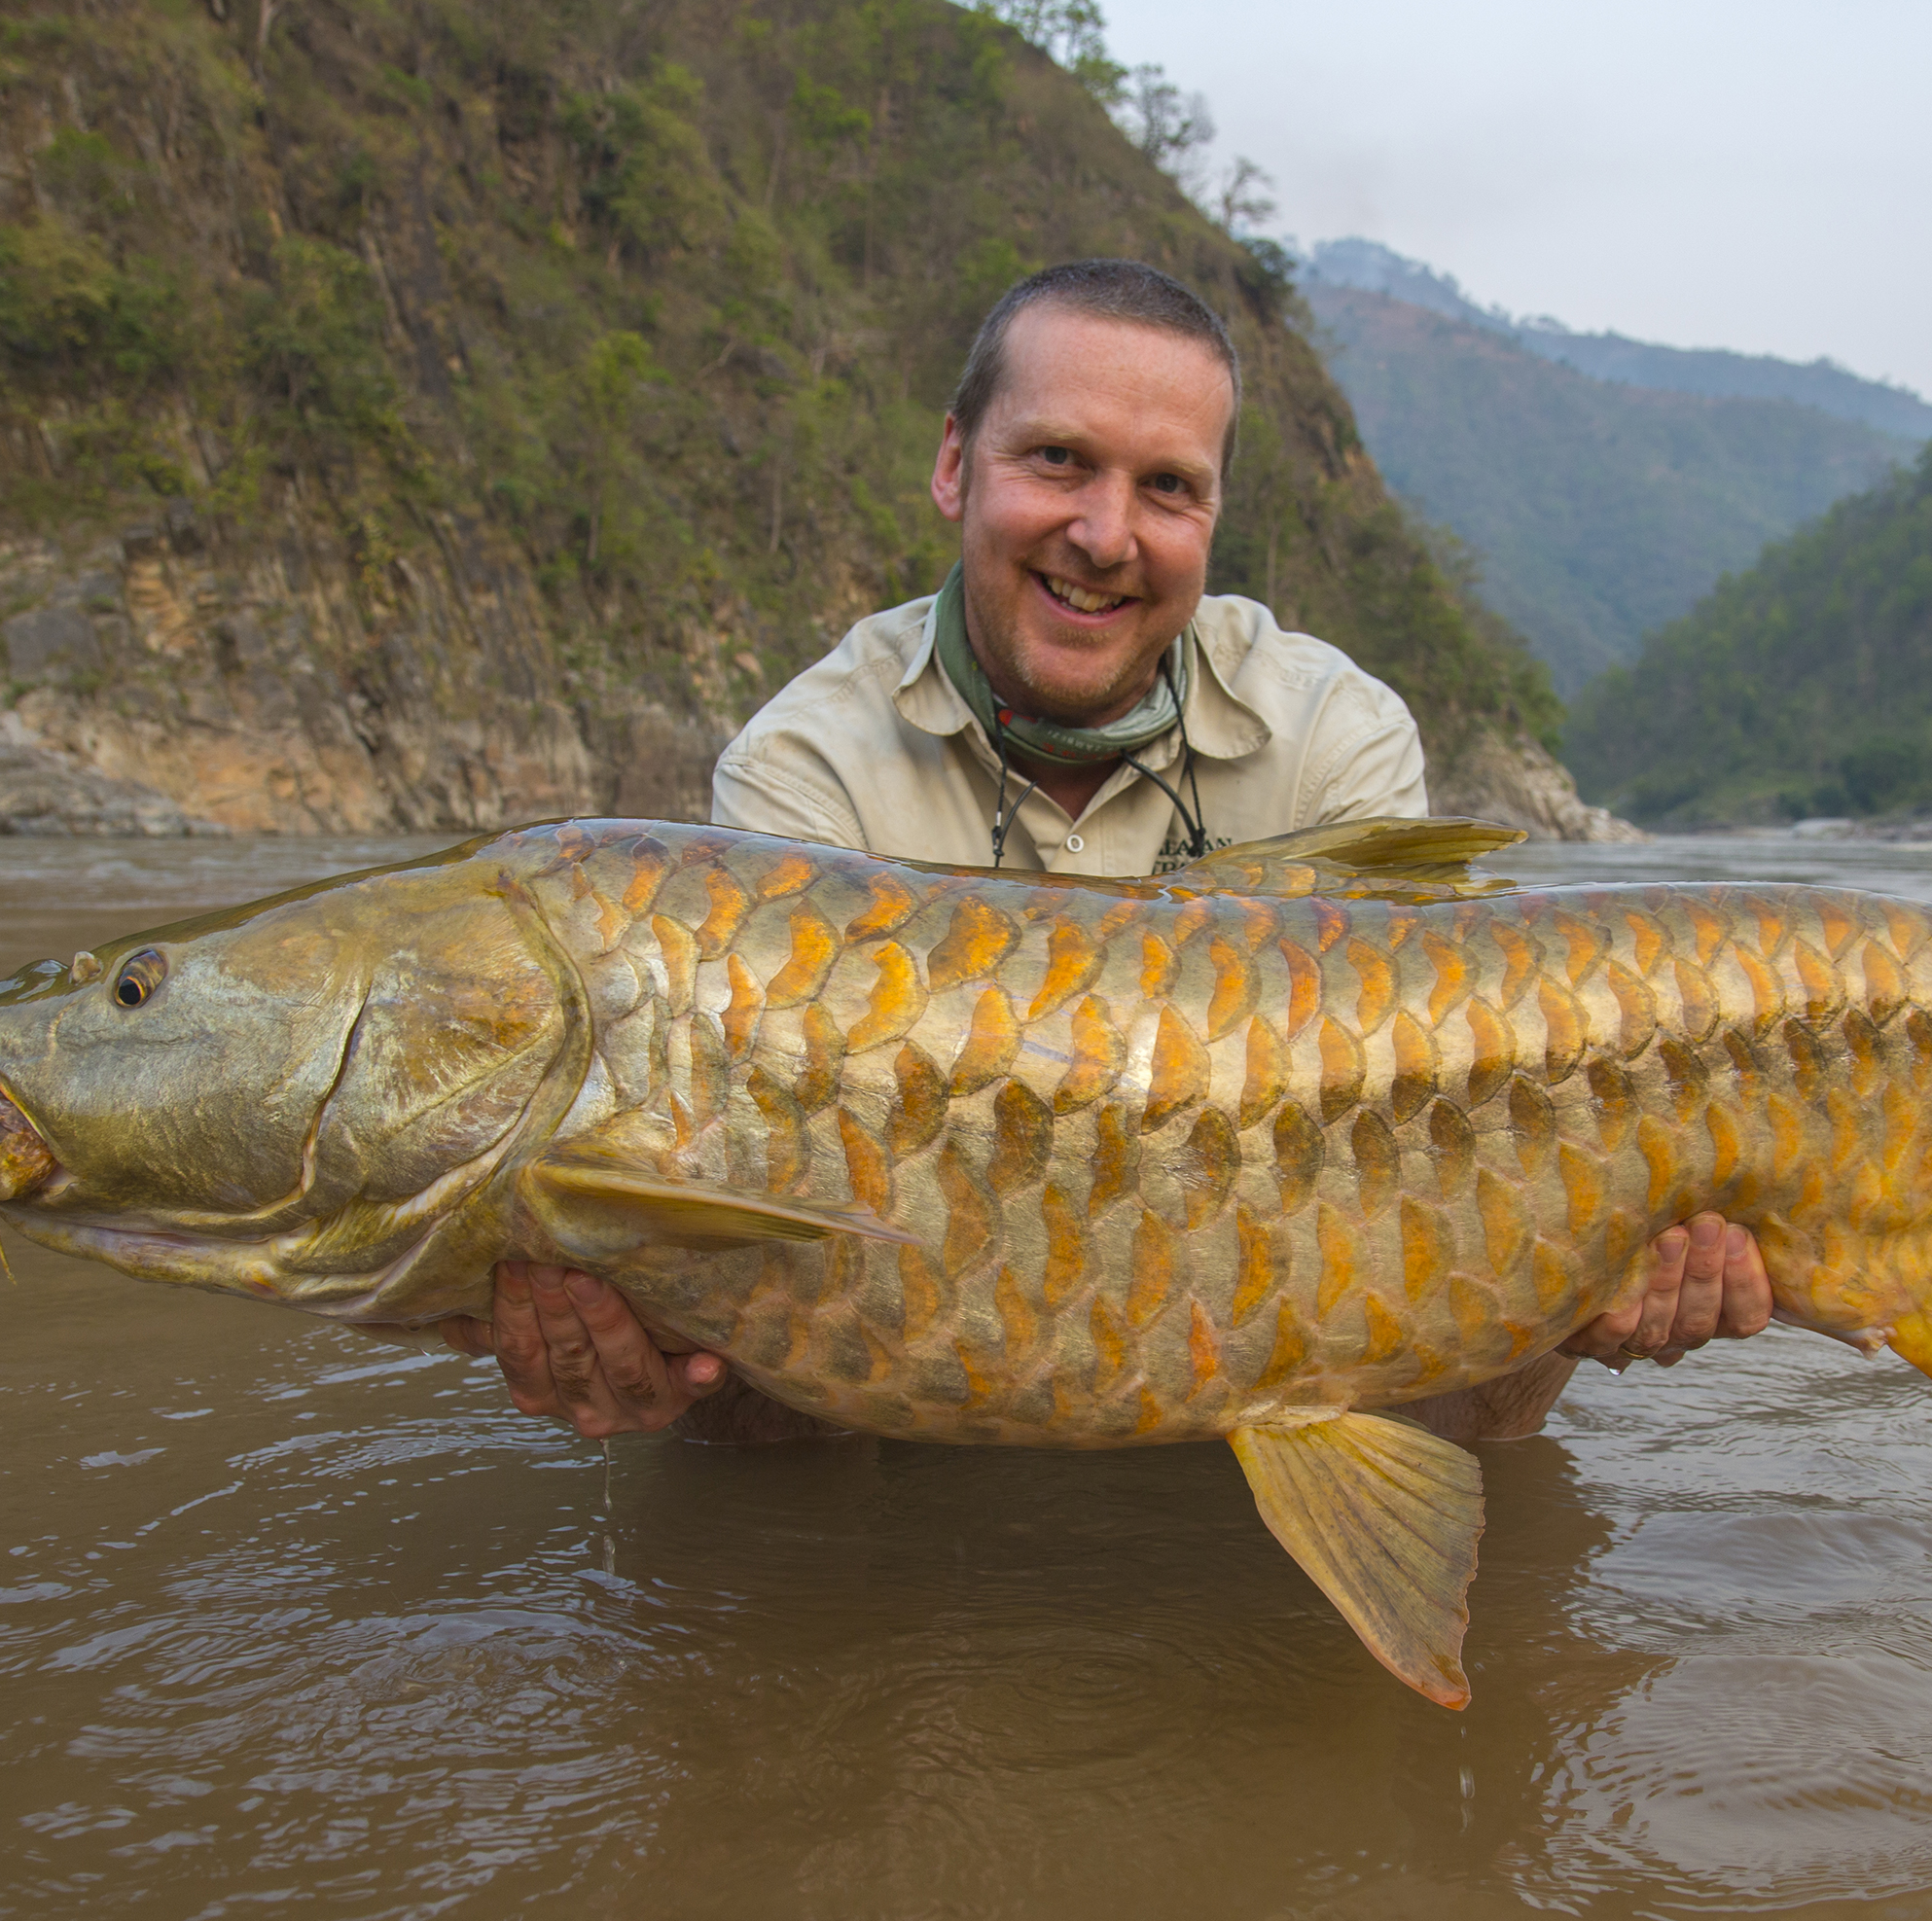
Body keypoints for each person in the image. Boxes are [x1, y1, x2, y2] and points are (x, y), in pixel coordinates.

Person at [444, 260, 1771, 1442]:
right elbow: (751, 1218)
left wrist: (1590, 1276)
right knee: (753, 1408)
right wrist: (652, 1338)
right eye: (1059, 461)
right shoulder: (810, 769)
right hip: (932, 1356)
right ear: (956, 465)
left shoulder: (1330, 731)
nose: (1105, 535)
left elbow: (1454, 1122)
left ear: (1213, 516)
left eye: (1168, 489)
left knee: (1510, 1322)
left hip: (1321, 1294)